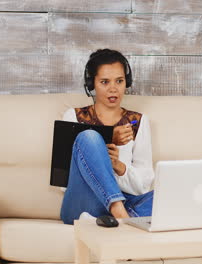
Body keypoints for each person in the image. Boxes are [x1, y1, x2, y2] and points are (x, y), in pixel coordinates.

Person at [60, 49, 155, 225]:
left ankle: (108, 220)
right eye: (104, 82)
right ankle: (119, 212)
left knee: (172, 195)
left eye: (119, 81)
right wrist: (102, 150)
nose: (113, 89)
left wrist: (117, 166)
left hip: (127, 200)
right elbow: (63, 182)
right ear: (92, 84)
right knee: (89, 137)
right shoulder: (73, 116)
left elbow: (142, 186)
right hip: (83, 203)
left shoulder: (138, 122)